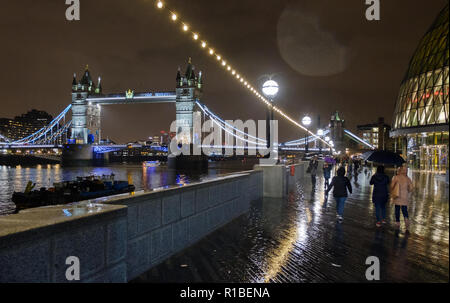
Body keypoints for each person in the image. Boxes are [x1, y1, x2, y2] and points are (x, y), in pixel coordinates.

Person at [391, 166, 413, 231]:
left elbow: (392, 186)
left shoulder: (396, 177)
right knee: (404, 209)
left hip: (397, 195)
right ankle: (406, 219)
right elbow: (411, 188)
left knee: (397, 208)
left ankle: (397, 222)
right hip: (404, 196)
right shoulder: (407, 178)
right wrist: (407, 190)